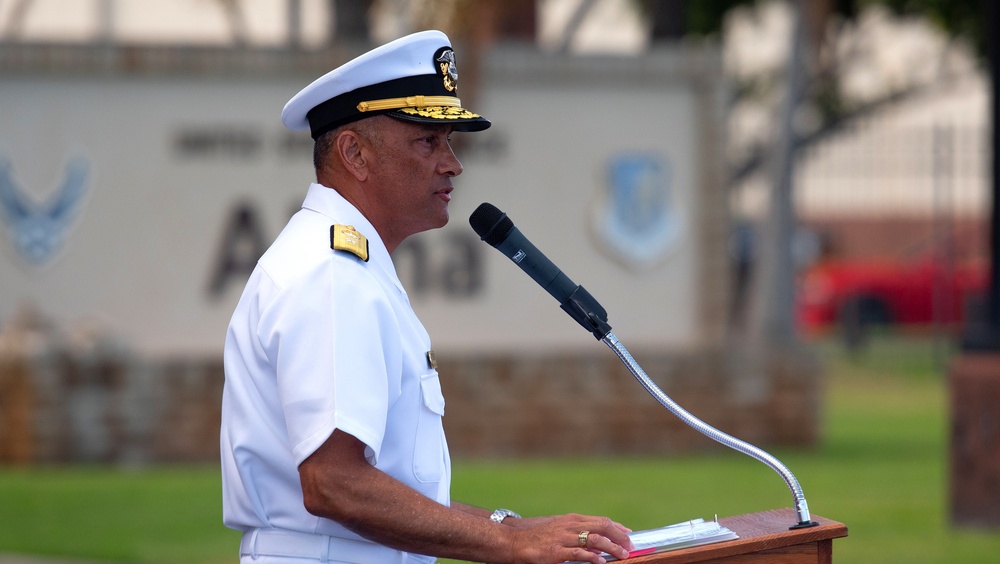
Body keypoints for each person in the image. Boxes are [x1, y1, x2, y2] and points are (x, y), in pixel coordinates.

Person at [220, 30, 635, 564]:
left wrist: (513, 526)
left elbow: (380, 483)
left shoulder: (351, 267)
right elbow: (333, 483)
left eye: (449, 142)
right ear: (355, 153)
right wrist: (508, 542)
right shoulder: (331, 274)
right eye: (428, 141)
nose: (453, 164)